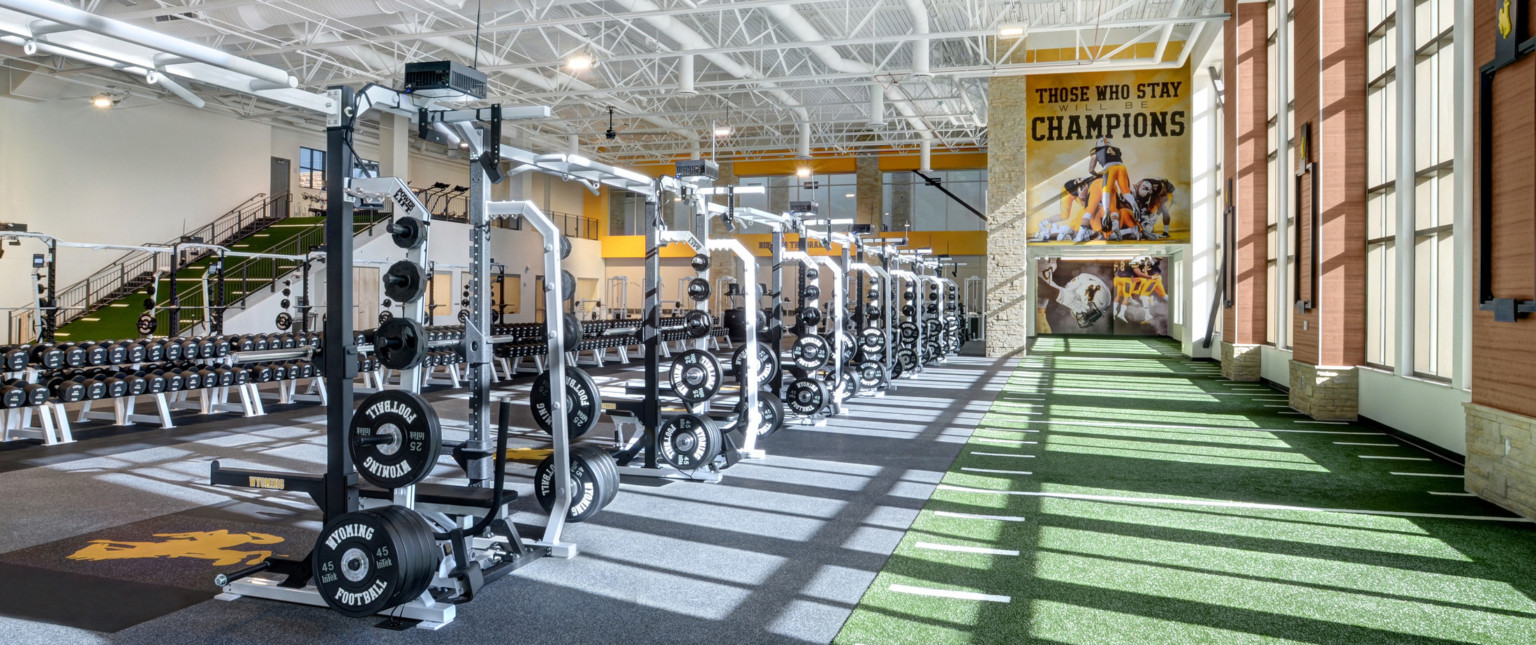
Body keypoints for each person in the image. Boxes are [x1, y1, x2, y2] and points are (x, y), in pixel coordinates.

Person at [1083, 137, 1138, 238]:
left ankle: (1106, 212)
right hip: (1122, 168)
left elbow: (1090, 170)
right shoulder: (1116, 149)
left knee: (1106, 193)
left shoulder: (1096, 152)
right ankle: (1134, 204)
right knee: (1126, 192)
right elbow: (1116, 160)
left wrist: (1096, 174)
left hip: (1109, 169)